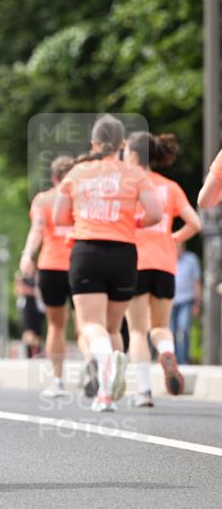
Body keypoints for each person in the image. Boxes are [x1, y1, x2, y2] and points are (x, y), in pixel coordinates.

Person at [54, 114, 162, 412]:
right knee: (113, 329)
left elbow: (59, 217)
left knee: (91, 324)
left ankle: (105, 362)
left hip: (88, 251)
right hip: (124, 254)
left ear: (94, 143)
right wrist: (131, 221)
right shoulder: (135, 173)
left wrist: (85, 215)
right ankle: (105, 395)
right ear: (122, 144)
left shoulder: (77, 173)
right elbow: (156, 213)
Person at [124, 132, 202, 405]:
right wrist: (173, 238)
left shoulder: (128, 186)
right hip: (165, 263)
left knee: (137, 330)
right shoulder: (170, 187)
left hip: (135, 262)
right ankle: (167, 352)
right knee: (160, 327)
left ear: (134, 155)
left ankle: (144, 392)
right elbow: (195, 223)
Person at [20, 155, 75, 397]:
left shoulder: (42, 200)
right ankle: (96, 373)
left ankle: (58, 382)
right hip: (79, 264)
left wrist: (27, 255)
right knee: (87, 323)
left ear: (53, 178)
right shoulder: (81, 199)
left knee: (56, 325)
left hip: (51, 266)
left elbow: (37, 230)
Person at [171, 242, 202, 365]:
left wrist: (197, 303)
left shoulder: (191, 259)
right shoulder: (168, 258)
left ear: (183, 246)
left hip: (186, 300)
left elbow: (197, 282)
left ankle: (183, 360)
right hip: (170, 301)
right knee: (171, 330)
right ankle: (173, 359)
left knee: (184, 329)